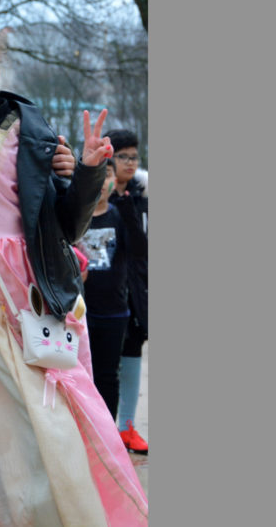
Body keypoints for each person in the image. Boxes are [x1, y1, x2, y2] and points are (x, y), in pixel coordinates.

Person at [0, 11, 149, 526]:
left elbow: (65, 225)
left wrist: (88, 170)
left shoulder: (31, 132)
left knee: (48, 412)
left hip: (26, 293)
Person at [79, 157, 147, 426]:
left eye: (107, 174)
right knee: (83, 375)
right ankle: (85, 431)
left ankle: (108, 431)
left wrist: (130, 210)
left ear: (114, 180)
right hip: (81, 313)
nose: (102, 181)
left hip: (114, 312)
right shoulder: (74, 215)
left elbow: (140, 251)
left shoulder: (120, 213)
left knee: (108, 376)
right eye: (95, 175)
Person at [104, 128, 149, 454]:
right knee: (105, 365)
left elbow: (141, 248)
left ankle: (127, 428)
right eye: (123, 156)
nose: (130, 163)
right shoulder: (90, 195)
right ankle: (103, 428)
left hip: (137, 289)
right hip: (102, 296)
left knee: (132, 353)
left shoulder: (140, 196)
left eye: (134, 156)